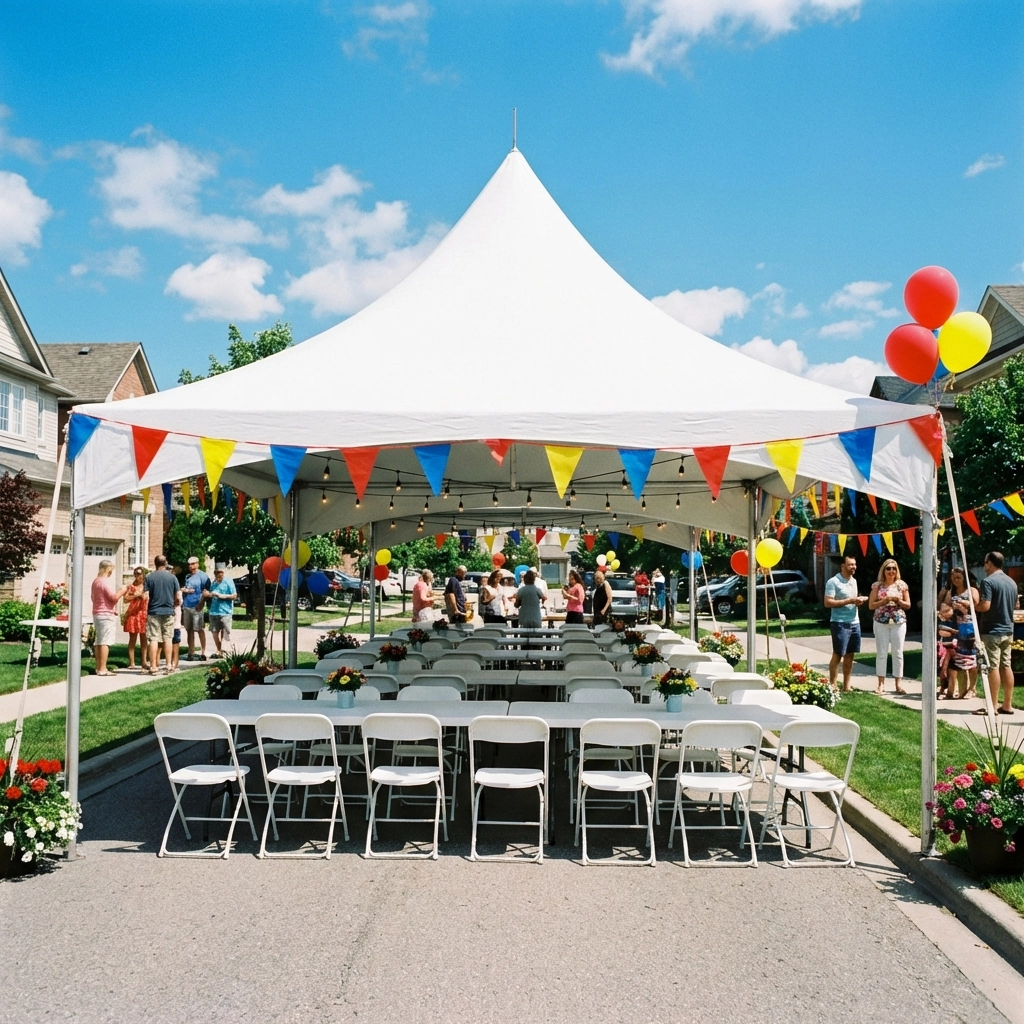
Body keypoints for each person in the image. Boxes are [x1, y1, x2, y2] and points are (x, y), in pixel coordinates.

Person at [975, 551, 1020, 716]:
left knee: (993, 667)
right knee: (1006, 666)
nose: (984, 566)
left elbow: (985, 606)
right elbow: (1015, 606)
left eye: (985, 562)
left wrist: (973, 605)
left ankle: (992, 706)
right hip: (1008, 630)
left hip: (992, 631)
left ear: (989, 563)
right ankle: (1007, 704)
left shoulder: (988, 581)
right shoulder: (1012, 582)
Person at [824, 555, 868, 692]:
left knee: (850, 654)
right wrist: (849, 601)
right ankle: (833, 684)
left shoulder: (853, 581)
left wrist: (858, 601)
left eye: (854, 564)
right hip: (839, 623)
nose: (853, 567)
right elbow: (828, 602)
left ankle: (847, 686)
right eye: (850, 565)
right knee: (838, 653)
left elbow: (852, 601)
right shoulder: (833, 582)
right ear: (842, 566)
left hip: (854, 622)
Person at [868, 559, 911, 695]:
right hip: (881, 621)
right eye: (888, 568)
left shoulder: (902, 585)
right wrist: (884, 601)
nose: (891, 571)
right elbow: (871, 605)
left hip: (898, 621)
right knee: (882, 652)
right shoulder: (877, 586)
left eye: (893, 568)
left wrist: (899, 600)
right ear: (884, 570)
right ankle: (880, 683)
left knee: (898, 652)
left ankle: (898, 683)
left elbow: (908, 604)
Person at [938, 566, 979, 700]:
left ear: (964, 578)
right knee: (958, 661)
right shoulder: (951, 592)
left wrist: (963, 604)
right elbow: (946, 608)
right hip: (957, 629)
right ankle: (959, 691)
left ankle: (972, 689)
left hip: (971, 628)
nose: (956, 580)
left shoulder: (971, 590)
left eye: (959, 577)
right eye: (954, 577)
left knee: (972, 660)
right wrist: (946, 610)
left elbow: (976, 604)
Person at [144, 554, 181, 676]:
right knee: (168, 638)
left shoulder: (149, 577)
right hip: (168, 611)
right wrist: (175, 603)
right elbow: (178, 597)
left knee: (153, 638)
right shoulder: (172, 578)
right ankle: (169, 665)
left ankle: (153, 666)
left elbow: (146, 597)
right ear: (165, 564)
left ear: (155, 564)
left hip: (154, 611)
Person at [91, 559, 127, 677]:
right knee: (105, 641)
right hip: (106, 614)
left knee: (99, 640)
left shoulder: (95, 581)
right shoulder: (105, 582)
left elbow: (93, 597)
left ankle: (98, 667)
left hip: (97, 613)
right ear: (108, 569)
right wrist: (122, 591)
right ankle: (103, 669)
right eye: (111, 569)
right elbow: (113, 597)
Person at [181, 555, 210, 661]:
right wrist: (184, 590)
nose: (191, 566)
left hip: (197, 606)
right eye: (189, 564)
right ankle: (191, 651)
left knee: (199, 629)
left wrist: (201, 603)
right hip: (187, 605)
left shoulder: (203, 576)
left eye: (193, 564)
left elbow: (206, 592)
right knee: (189, 630)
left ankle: (203, 651)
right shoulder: (187, 577)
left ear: (197, 564)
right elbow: (186, 589)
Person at [204, 566, 237, 657]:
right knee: (214, 632)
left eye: (220, 572)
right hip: (214, 611)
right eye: (216, 573)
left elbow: (234, 596)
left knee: (226, 632)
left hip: (226, 611)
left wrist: (222, 596)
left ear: (223, 572)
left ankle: (223, 650)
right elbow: (212, 594)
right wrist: (208, 594)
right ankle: (219, 649)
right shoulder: (213, 583)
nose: (218, 574)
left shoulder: (228, 581)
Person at [122, 565, 149, 671]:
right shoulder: (131, 586)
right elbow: (125, 599)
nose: (138, 576)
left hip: (144, 614)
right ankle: (131, 662)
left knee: (144, 639)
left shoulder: (147, 586)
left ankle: (144, 662)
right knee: (132, 639)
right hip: (133, 614)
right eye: (136, 574)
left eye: (140, 574)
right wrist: (136, 596)